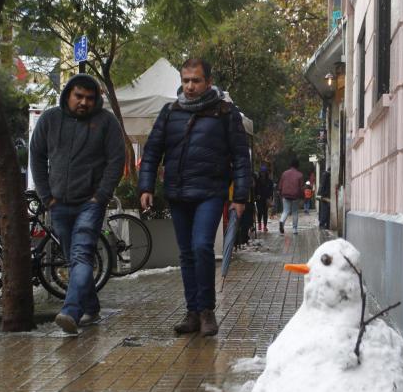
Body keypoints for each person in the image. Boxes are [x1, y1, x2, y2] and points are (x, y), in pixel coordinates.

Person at [138, 58, 251, 337]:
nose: (189, 86)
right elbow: (152, 152)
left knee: (202, 247)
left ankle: (207, 311)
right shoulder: (170, 112)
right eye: (185, 80)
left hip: (211, 192)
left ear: (208, 82)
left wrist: (240, 195)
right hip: (177, 192)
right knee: (186, 253)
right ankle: (191, 312)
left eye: (196, 80)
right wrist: (146, 187)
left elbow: (240, 157)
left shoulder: (225, 113)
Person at [30, 74, 125, 335]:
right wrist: (46, 196)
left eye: (89, 98)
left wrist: (101, 195)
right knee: (75, 255)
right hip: (58, 203)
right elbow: (36, 156)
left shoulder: (106, 122)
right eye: (78, 96)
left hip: (89, 203)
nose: (83, 102)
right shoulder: (50, 119)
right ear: (68, 94)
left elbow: (117, 159)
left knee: (81, 255)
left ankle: (71, 311)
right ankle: (91, 307)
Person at [278, 159, 303, 234]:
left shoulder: (284, 173)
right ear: (297, 165)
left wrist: (280, 192)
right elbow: (301, 187)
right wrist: (302, 196)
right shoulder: (300, 175)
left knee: (285, 211)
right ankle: (294, 229)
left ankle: (282, 221)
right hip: (295, 196)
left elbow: (280, 185)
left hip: (285, 195)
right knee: (295, 212)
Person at [254, 165, 274, 232]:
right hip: (259, 199)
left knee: (265, 212)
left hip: (266, 199)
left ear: (266, 173)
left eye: (264, 172)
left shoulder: (269, 181)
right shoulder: (257, 180)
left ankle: (265, 226)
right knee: (260, 212)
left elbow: (271, 190)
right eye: (262, 172)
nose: (263, 173)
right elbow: (255, 189)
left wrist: (270, 197)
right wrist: (257, 195)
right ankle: (259, 223)